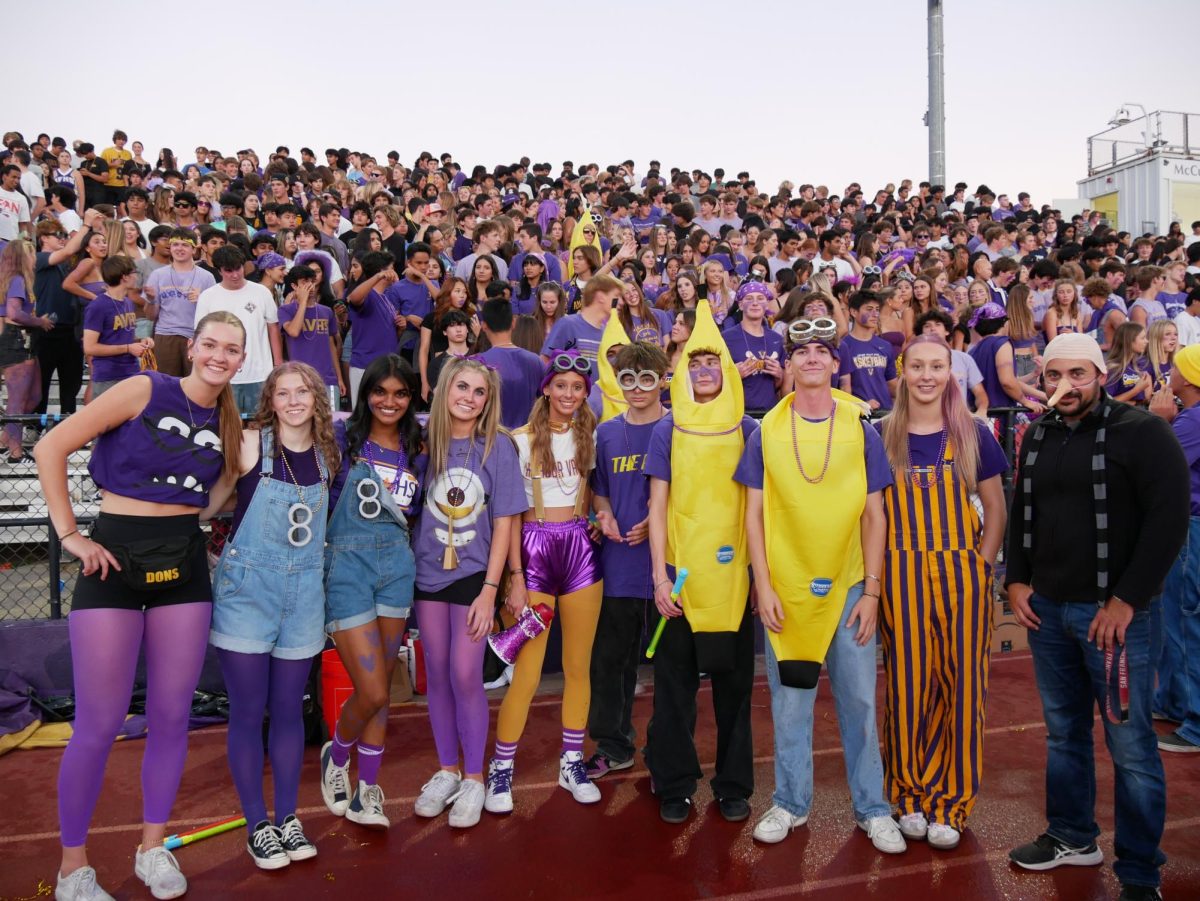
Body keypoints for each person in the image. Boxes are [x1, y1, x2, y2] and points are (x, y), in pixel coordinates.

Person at [35, 311, 247, 901]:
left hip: (182, 565)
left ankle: (152, 847)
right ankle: (72, 868)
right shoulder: (146, 388)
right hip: (112, 559)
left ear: (242, 360)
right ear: (193, 346)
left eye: (232, 350)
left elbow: (206, 506)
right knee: (98, 725)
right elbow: (51, 446)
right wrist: (71, 535)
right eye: (211, 344)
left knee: (172, 718)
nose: (219, 357)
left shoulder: (228, 421)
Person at [1006, 333, 1188, 900]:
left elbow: (1168, 521)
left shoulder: (1144, 433)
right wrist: (1015, 579)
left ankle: (1139, 871)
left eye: (1077, 375)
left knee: (1131, 747)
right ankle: (1071, 835)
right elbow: (1022, 510)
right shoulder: (1036, 433)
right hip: (1049, 613)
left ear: (1098, 374)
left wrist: (1126, 599)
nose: (1066, 386)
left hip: (1116, 620)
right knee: (1064, 735)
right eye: (1055, 375)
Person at [737, 317, 906, 855]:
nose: (811, 358)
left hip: (851, 586)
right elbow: (753, 516)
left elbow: (875, 515)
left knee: (859, 700)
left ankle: (873, 808)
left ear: (837, 363)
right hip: (785, 590)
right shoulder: (765, 431)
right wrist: (761, 586)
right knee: (790, 705)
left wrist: (873, 591)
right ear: (788, 363)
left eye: (821, 351)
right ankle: (790, 801)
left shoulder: (863, 428)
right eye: (801, 350)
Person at [877, 335, 1008, 849]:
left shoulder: (974, 433)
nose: (927, 375)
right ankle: (908, 794)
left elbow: (995, 508)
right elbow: (872, 513)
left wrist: (981, 564)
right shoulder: (882, 435)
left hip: (962, 569)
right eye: (918, 366)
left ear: (950, 371)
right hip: (901, 571)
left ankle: (951, 802)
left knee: (964, 686)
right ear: (903, 371)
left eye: (937, 365)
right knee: (908, 687)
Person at [204, 362, 335, 868]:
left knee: (289, 711)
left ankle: (288, 818)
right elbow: (214, 501)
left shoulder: (328, 452)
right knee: (247, 709)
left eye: (303, 391)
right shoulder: (250, 443)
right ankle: (257, 822)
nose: (294, 400)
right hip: (247, 590)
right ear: (270, 400)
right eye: (284, 393)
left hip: (304, 593)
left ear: (316, 398)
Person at [645, 302, 758, 825]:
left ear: (728, 370)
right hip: (680, 582)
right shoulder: (667, 429)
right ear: (683, 370)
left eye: (714, 362)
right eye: (695, 362)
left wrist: (759, 578)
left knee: (735, 694)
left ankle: (733, 784)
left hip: (733, 583)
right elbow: (657, 505)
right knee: (674, 692)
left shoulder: (749, 429)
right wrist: (659, 577)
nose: (705, 370)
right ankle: (674, 782)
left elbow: (762, 511)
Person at [486, 350, 605, 812]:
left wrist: (598, 516)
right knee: (528, 673)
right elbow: (508, 516)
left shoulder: (592, 437)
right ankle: (502, 770)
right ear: (546, 388)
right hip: (534, 553)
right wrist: (515, 577)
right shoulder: (517, 440)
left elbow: (598, 494)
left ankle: (572, 760)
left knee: (579, 667)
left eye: (578, 388)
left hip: (580, 551)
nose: (569, 395)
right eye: (561, 386)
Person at [411, 357, 525, 829]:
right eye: (462, 387)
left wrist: (494, 587)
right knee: (436, 673)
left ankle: (475, 778)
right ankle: (446, 770)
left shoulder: (498, 446)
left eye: (480, 392)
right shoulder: (424, 442)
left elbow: (505, 520)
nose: (470, 398)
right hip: (426, 574)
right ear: (444, 389)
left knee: (465, 673)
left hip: (474, 575)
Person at [319, 355, 423, 831]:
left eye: (400, 393)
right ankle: (337, 754)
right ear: (366, 396)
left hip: (397, 569)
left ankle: (368, 792)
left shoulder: (417, 445)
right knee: (374, 688)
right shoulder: (344, 438)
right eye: (380, 391)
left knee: (380, 692)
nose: (389, 401)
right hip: (346, 565)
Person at [585, 341, 669, 778]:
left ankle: (666, 748)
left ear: (662, 382)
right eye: (628, 380)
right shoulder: (607, 433)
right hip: (617, 564)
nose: (637, 389)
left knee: (671, 669)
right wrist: (605, 511)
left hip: (665, 568)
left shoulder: (677, 429)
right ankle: (614, 744)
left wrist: (660, 522)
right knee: (612, 662)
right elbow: (599, 487)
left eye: (646, 379)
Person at [1150, 344, 1200, 753]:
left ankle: (1195, 722)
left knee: (1184, 622)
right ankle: (1171, 699)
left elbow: (1157, 464)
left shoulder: (1191, 421)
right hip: (1189, 527)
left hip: (1192, 528)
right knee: (1174, 619)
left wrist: (1158, 423)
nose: (1172, 371)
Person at [194, 245, 282, 416]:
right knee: (227, 424)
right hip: (222, 374)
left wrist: (277, 364)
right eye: (228, 270)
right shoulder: (208, 296)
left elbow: (273, 328)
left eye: (238, 269)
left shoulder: (262, 292)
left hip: (260, 373)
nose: (235, 275)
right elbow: (200, 335)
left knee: (261, 423)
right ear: (219, 270)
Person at [34, 214, 104, 415]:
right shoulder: (38, 258)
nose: (63, 238)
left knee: (71, 385)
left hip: (71, 329)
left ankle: (66, 426)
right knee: (42, 383)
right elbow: (68, 251)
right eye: (58, 235)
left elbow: (77, 250)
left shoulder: (68, 264)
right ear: (43, 238)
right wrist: (86, 223)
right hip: (46, 330)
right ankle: (34, 427)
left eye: (64, 234)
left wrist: (95, 229)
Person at [0, 238, 53, 464]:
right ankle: (15, 453)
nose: (35, 259)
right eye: (31, 254)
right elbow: (14, 313)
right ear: (23, 257)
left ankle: (6, 441)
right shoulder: (17, 280)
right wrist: (39, 321)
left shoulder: (20, 280)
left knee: (34, 396)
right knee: (18, 399)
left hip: (24, 340)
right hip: (17, 339)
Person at [144, 229, 217, 377]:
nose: (179, 249)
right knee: (166, 383)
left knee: (195, 383)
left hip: (196, 336)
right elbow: (151, 316)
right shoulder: (158, 275)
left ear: (193, 248)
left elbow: (215, 314)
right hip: (166, 336)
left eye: (184, 245)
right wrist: (151, 300)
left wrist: (203, 300)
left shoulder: (207, 277)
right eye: (175, 244)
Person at [81, 255, 151, 397]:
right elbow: (89, 347)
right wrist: (128, 348)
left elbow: (122, 336)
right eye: (134, 273)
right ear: (125, 277)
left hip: (131, 372)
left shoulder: (127, 302)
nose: (136, 277)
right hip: (108, 376)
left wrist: (141, 342)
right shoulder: (98, 306)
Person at [277, 264, 344, 410]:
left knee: (331, 423)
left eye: (312, 281)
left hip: (327, 378)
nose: (310, 287)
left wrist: (339, 377)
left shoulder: (326, 311)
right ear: (294, 286)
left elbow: (331, 345)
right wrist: (302, 303)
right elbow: (293, 331)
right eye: (304, 283)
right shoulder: (286, 310)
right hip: (299, 379)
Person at [476, 298, 544, 430]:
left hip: (489, 437)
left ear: (484, 326)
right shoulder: (535, 361)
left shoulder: (476, 363)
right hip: (526, 438)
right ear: (513, 323)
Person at [723, 281, 784, 412]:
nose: (755, 303)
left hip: (769, 414)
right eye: (749, 298)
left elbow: (777, 387)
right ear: (740, 304)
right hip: (737, 414)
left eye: (760, 298)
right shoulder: (725, 338)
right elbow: (715, 381)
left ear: (767, 303)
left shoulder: (777, 339)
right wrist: (733, 376)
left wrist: (779, 375)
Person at [838, 292, 898, 411]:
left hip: (886, 413)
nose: (875, 314)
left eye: (877, 309)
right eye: (869, 309)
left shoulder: (885, 346)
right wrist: (860, 406)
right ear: (853, 312)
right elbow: (842, 389)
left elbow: (892, 385)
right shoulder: (843, 346)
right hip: (858, 415)